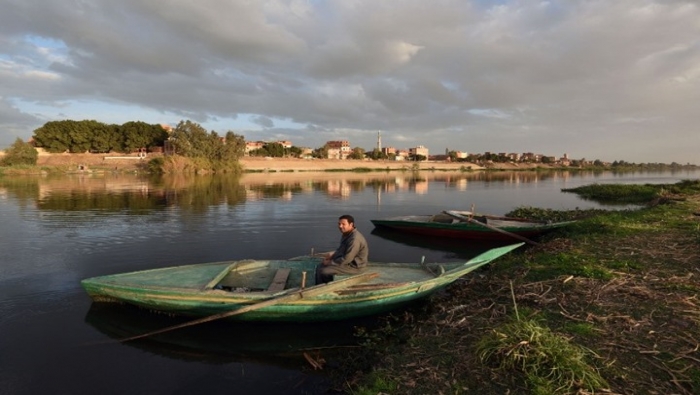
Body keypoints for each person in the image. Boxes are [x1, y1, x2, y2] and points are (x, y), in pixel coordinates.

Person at [315, 214, 369, 284]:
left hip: (355, 267)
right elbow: (341, 250)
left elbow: (347, 259)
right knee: (320, 266)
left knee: (324, 271)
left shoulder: (354, 239)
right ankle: (318, 285)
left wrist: (331, 262)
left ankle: (324, 288)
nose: (340, 226)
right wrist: (332, 255)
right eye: (339, 224)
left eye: (343, 224)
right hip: (348, 262)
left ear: (351, 224)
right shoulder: (346, 234)